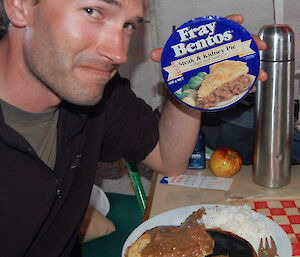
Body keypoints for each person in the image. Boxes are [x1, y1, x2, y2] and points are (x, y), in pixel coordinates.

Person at [0, 0, 267, 256]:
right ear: (19, 5)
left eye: (128, 26)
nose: (118, 53)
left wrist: (187, 85)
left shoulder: (97, 93)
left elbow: (168, 158)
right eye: (92, 11)